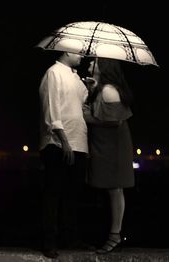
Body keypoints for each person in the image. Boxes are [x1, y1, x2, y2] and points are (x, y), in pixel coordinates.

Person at [38, 52, 90, 258]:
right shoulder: (53, 73)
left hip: (79, 141)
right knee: (53, 193)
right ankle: (49, 241)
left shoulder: (75, 76)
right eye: (78, 52)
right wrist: (64, 141)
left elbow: (81, 102)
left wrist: (90, 87)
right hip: (57, 144)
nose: (82, 56)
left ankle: (70, 237)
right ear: (68, 51)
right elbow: (50, 111)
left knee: (72, 193)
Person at [83, 57, 134, 254]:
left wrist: (87, 116)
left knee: (114, 189)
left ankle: (114, 234)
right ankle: (111, 233)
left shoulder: (109, 90)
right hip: (107, 144)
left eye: (93, 62)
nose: (88, 65)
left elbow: (113, 121)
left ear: (102, 66)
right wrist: (92, 90)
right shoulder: (103, 88)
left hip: (113, 145)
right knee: (111, 188)